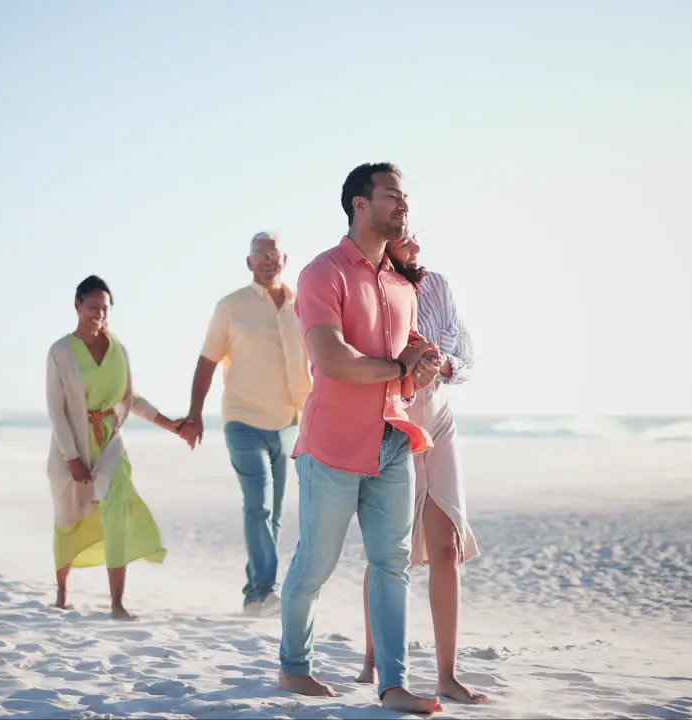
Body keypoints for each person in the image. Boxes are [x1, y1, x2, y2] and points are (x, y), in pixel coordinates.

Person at [277, 162, 444, 714]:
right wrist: (398, 367)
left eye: (405, 198)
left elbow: (408, 351)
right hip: (331, 447)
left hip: (393, 441)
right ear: (359, 204)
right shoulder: (322, 274)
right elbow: (332, 360)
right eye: (392, 196)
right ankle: (294, 668)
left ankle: (392, 683)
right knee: (315, 564)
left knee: (392, 562)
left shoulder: (401, 284)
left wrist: (421, 364)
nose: (403, 207)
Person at [355, 234, 485, 704]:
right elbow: (365, 357)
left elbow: (466, 357)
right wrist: (409, 366)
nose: (412, 239)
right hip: (395, 416)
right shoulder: (372, 289)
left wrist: (441, 362)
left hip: (441, 416)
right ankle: (373, 656)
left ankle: (447, 675)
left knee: (445, 546)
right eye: (401, 233)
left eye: (412, 230)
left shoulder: (438, 286)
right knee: (391, 550)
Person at [181, 230, 312, 617]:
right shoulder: (231, 306)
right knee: (257, 504)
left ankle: (255, 595)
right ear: (249, 262)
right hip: (242, 419)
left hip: (289, 421)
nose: (269, 261)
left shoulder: (301, 304)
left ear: (285, 261)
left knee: (272, 510)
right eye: (261, 255)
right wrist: (194, 414)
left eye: (276, 255)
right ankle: (266, 590)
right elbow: (207, 361)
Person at [46, 275, 186, 619]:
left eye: (104, 308)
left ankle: (117, 603)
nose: (99, 314)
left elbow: (130, 398)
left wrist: (169, 423)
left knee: (117, 514)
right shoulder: (60, 352)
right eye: (92, 307)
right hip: (73, 445)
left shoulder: (118, 349)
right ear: (77, 306)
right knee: (68, 518)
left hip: (110, 445)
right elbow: (56, 410)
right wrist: (73, 458)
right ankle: (62, 591)